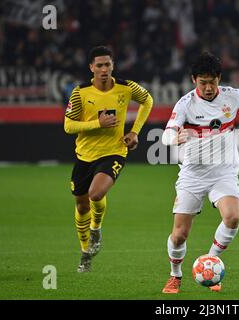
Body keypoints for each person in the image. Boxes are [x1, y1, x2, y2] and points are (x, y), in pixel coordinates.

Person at [160, 52, 239, 293]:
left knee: (232, 218)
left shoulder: (232, 96)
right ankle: (175, 275)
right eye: (203, 82)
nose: (209, 87)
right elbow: (166, 134)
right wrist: (175, 137)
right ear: (194, 80)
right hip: (193, 173)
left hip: (224, 171)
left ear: (219, 79)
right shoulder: (186, 104)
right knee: (180, 234)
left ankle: (211, 261)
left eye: (212, 81)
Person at [64, 46, 153, 272]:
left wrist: (134, 132)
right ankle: (85, 251)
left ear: (113, 66)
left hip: (114, 152)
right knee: (82, 205)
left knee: (96, 193)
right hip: (84, 156)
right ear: (91, 67)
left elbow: (148, 100)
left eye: (108, 65)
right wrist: (97, 124)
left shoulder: (125, 88)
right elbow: (68, 126)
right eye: (99, 65)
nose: (104, 69)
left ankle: (96, 227)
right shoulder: (80, 92)